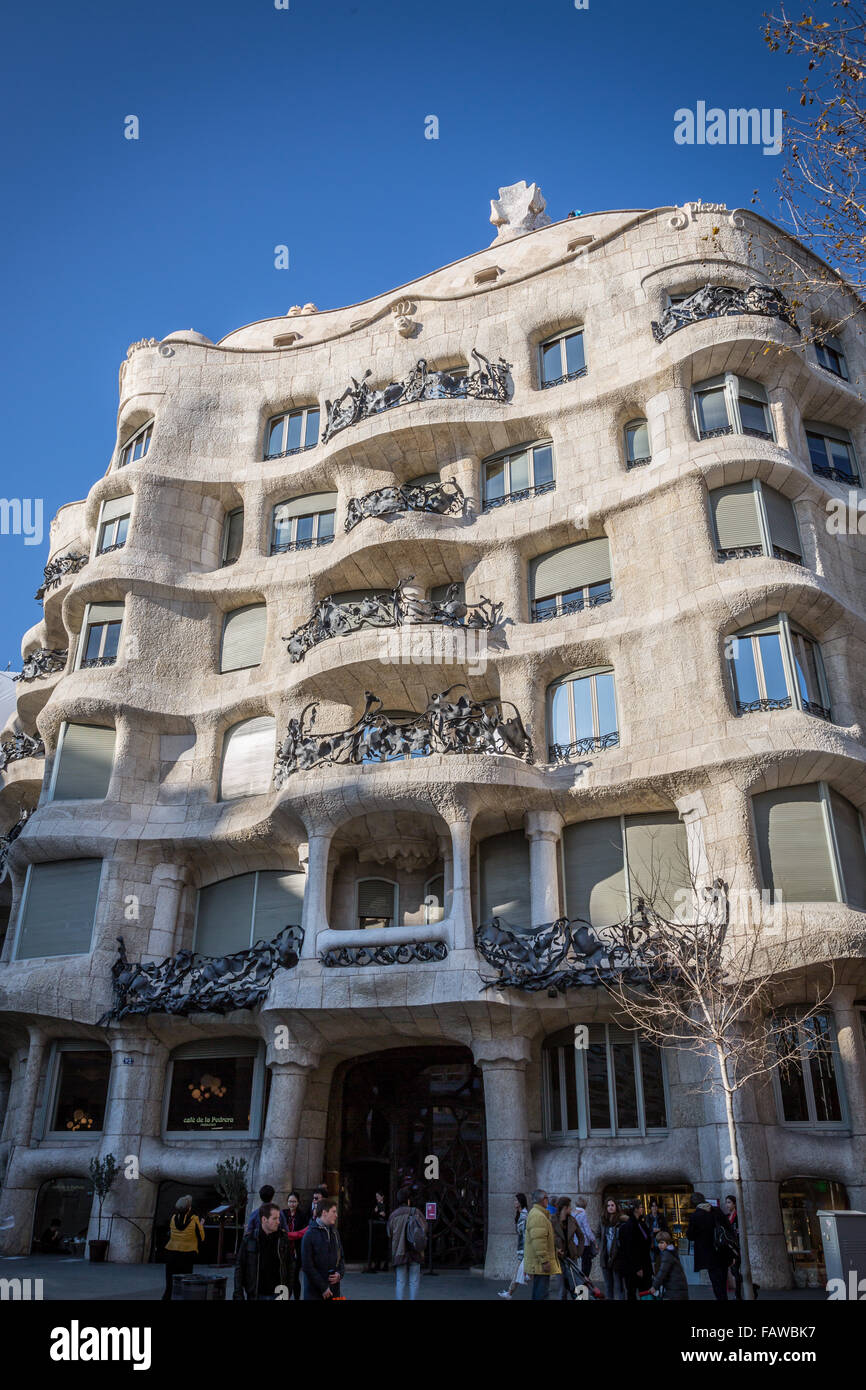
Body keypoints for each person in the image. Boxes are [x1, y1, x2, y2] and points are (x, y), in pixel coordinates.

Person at [234, 1203, 290, 1300]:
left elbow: (290, 1266)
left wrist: (288, 1290)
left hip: (279, 1293)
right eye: (275, 1218)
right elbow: (240, 1267)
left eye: (279, 1218)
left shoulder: (282, 1239)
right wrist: (238, 1294)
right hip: (256, 1293)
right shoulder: (249, 1239)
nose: (278, 1222)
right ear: (264, 1219)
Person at [686, 1193, 733, 1301]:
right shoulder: (717, 1211)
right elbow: (728, 1230)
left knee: (717, 1285)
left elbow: (690, 1236)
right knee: (722, 1282)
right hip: (723, 1252)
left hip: (709, 1255)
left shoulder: (696, 1216)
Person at [386, 1186, 428, 1300]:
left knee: (400, 1281)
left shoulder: (393, 1215)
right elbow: (424, 1228)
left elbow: (389, 1233)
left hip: (400, 1252)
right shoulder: (416, 1212)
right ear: (408, 1200)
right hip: (415, 1251)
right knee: (414, 1281)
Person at [301, 1197, 345, 1300]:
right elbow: (307, 1266)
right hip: (315, 1292)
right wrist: (323, 1287)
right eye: (333, 1212)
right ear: (324, 1212)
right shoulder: (309, 1235)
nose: (336, 1215)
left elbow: (341, 1257)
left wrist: (340, 1274)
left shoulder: (335, 1232)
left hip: (334, 1291)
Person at [162, 1195, 205, 1301]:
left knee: (170, 1284)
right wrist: (201, 1225)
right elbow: (201, 1237)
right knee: (185, 1283)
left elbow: (171, 1233)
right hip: (187, 1254)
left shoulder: (173, 1218)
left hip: (172, 1253)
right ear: (189, 1207)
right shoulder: (194, 1220)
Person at [524, 1189, 560, 1301]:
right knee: (541, 1293)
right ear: (542, 1200)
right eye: (546, 1198)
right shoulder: (538, 1216)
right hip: (540, 1263)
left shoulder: (538, 1214)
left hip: (538, 1262)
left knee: (539, 1292)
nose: (548, 1200)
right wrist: (545, 1260)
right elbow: (538, 1241)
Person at [618, 1199, 653, 1301]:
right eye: (641, 1207)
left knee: (646, 1291)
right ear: (636, 1209)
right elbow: (630, 1248)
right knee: (633, 1292)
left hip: (644, 1263)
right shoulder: (629, 1226)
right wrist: (637, 1267)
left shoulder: (641, 1223)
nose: (643, 1209)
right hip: (634, 1267)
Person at [552, 1195, 585, 1299]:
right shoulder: (552, 1221)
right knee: (562, 1290)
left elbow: (581, 1237)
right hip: (559, 1259)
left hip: (572, 1258)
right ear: (565, 1208)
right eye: (570, 1206)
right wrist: (555, 1250)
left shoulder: (572, 1220)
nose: (571, 1209)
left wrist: (579, 1252)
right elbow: (547, 1240)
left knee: (578, 1286)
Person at [498, 1193, 529, 1299]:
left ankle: (509, 1293)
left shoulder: (524, 1216)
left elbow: (525, 1234)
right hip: (523, 1249)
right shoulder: (521, 1214)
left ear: (520, 1202)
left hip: (524, 1249)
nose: (514, 1202)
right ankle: (509, 1292)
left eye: (516, 1200)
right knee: (519, 1273)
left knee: (518, 1273)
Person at [598, 1197, 626, 1301]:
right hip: (605, 1257)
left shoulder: (622, 1220)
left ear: (616, 1206)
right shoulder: (602, 1220)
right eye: (608, 1205)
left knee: (619, 1285)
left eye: (612, 1205)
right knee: (608, 1285)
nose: (610, 1207)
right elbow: (597, 1234)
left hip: (617, 1257)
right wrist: (600, 1245)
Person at [282, 1191, 308, 1300]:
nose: (292, 1204)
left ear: (298, 1203)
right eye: (290, 1201)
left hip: (296, 1249)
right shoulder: (283, 1213)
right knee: (285, 1276)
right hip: (284, 1249)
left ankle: (296, 1297)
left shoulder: (302, 1215)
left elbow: (303, 1232)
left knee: (295, 1276)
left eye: (294, 1202)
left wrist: (289, 1235)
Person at [650, 1231, 689, 1301]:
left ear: (667, 1242)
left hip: (675, 1289)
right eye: (658, 1243)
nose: (659, 1245)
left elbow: (662, 1272)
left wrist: (654, 1286)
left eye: (662, 1242)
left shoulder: (667, 1254)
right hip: (677, 1288)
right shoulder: (671, 1252)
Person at [724, 1194, 744, 1300]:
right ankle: (739, 1291)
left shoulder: (738, 1216)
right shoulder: (727, 1217)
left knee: (735, 1270)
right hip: (730, 1247)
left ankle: (738, 1294)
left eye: (729, 1202)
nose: (727, 1205)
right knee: (733, 1271)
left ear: (734, 1203)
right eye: (726, 1202)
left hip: (738, 1246)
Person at [572, 1196, 596, 1280]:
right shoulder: (583, 1214)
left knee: (578, 1262)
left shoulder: (572, 1213)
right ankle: (584, 1279)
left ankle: (579, 1280)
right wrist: (594, 1240)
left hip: (575, 1242)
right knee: (586, 1262)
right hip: (584, 1242)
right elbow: (587, 1230)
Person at [368, 1190, 388, 1273]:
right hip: (377, 1229)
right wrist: (376, 1212)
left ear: (382, 1197)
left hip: (384, 1228)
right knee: (377, 1247)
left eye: (378, 1196)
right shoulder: (375, 1205)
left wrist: (384, 1214)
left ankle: (385, 1265)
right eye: (376, 1196)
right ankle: (377, 1264)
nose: (377, 1198)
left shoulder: (386, 1205)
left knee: (384, 1247)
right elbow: (371, 1215)